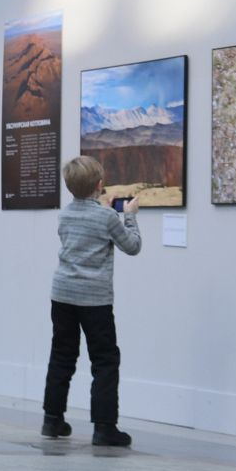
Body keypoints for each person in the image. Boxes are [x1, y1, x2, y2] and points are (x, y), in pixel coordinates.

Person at [42, 155, 141, 447]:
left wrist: (102, 209)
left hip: (62, 294)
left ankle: (52, 419)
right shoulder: (107, 217)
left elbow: (86, 229)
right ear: (100, 184)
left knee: (62, 355)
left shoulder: (65, 215)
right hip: (94, 299)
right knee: (105, 360)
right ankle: (104, 426)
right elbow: (132, 246)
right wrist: (130, 214)